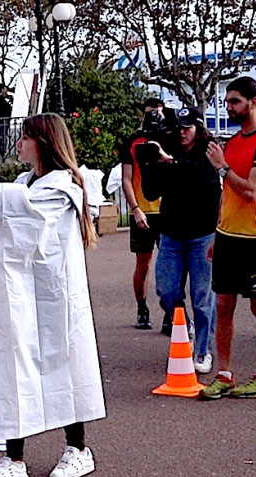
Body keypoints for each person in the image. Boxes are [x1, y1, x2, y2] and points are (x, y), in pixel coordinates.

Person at [0, 113, 106, 477]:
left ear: (43, 142)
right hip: (17, 293)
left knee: (64, 361)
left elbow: (27, 215)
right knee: (12, 364)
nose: (18, 144)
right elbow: (3, 230)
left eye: (25, 137)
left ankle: (78, 447)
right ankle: (13, 459)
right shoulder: (23, 183)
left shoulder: (64, 186)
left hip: (55, 295)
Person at [200, 76, 256, 400]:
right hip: (227, 237)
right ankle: (224, 374)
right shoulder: (234, 142)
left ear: (254, 102)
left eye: (235, 101)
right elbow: (228, 193)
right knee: (223, 305)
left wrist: (222, 168)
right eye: (227, 102)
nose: (229, 108)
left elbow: (251, 190)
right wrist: (217, 232)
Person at [136, 107, 220, 373]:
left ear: (198, 128)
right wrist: (148, 164)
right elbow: (151, 193)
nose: (182, 132)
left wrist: (171, 162)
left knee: (203, 297)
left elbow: (207, 179)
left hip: (203, 233)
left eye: (188, 127)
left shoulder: (209, 150)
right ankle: (186, 327)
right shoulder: (166, 147)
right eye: (179, 127)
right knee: (167, 291)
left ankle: (203, 350)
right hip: (171, 232)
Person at [119, 111, 165, 330]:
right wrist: (135, 209)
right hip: (143, 210)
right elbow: (126, 179)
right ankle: (142, 308)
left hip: (167, 211)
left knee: (169, 265)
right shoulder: (133, 142)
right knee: (143, 264)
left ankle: (171, 311)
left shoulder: (169, 141)